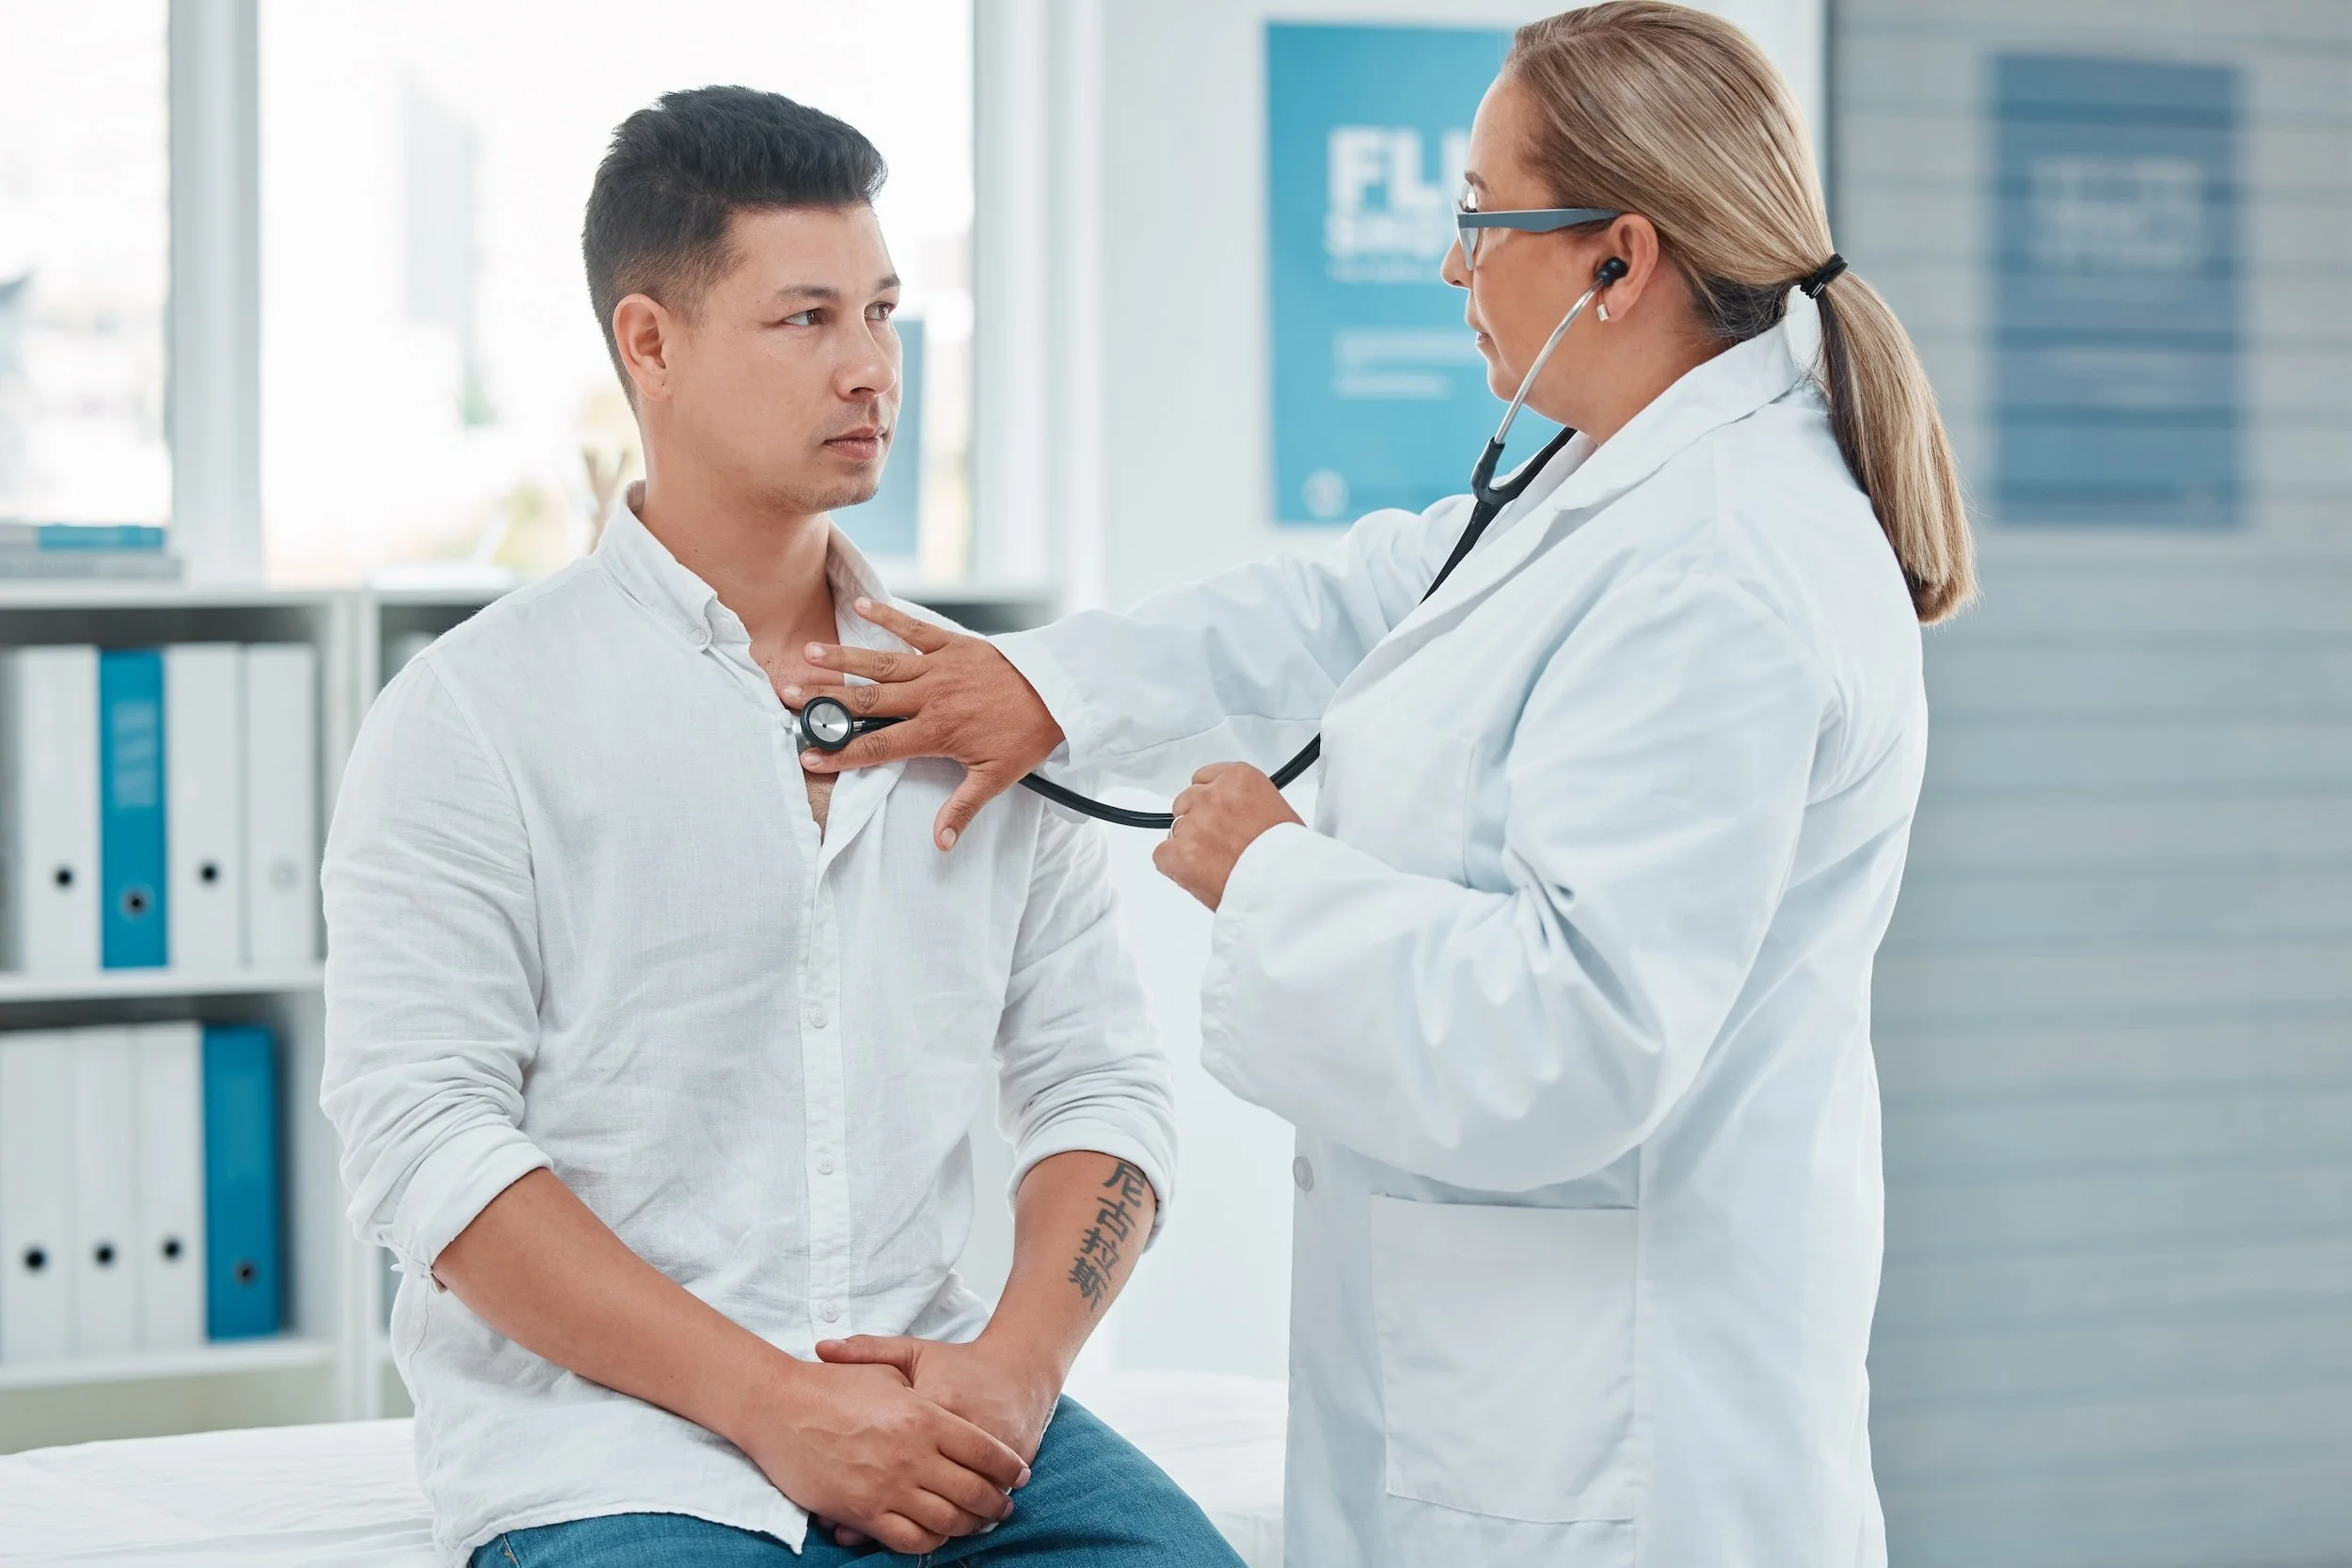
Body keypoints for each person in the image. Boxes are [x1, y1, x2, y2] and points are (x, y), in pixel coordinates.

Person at [787, 6, 1977, 1564]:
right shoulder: (1607, 481)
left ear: (1619, 261)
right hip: (1508, 1394)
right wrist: (1050, 688)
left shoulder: (1722, 577)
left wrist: (1267, 877)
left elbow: (1581, 1032)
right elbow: (1354, 604)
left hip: (1622, 1452)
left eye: (1481, 218)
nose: (1451, 263)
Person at [320, 86, 1245, 1568]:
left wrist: (1012, 1373)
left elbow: (1101, 1087)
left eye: (883, 313)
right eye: (806, 319)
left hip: (948, 1398)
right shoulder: (474, 715)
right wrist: (774, 1405)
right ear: (651, 343)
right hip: (615, 1439)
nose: (872, 370)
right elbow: (423, 1141)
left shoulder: (990, 707)